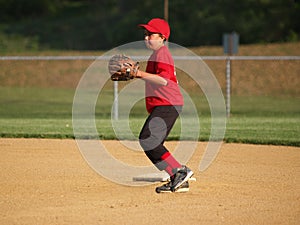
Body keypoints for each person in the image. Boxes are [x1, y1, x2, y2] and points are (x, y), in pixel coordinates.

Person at [135, 18, 194, 193]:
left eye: (150, 34)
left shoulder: (162, 53)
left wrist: (138, 73)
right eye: (145, 34)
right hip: (165, 104)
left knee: (149, 139)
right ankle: (177, 176)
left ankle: (180, 171)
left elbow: (163, 80)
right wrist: (137, 72)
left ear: (162, 37)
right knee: (149, 141)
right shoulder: (156, 54)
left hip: (168, 104)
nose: (146, 38)